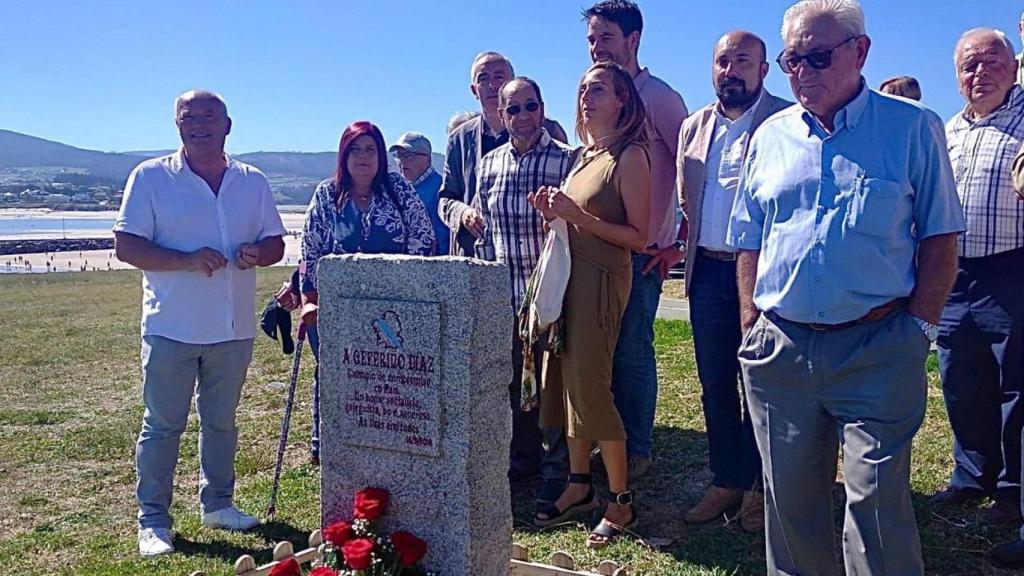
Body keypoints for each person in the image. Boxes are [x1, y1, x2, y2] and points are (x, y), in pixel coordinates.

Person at [727, 1, 965, 573]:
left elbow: (941, 239)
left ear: (860, 52)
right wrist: (751, 323)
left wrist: (918, 328)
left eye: (817, 56)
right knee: (791, 506)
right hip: (781, 351)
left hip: (878, 347)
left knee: (878, 506)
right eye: (792, 60)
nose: (802, 71)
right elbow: (748, 239)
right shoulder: (769, 137)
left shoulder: (913, 128)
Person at [114, 89, 287, 557]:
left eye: (210, 116)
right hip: (171, 326)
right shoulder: (150, 178)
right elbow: (127, 246)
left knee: (221, 422)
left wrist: (258, 254)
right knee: (163, 425)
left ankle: (219, 504)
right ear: (177, 126)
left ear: (228, 125)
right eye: (189, 117)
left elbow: (276, 244)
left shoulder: (252, 181)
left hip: (233, 329)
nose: (200, 124)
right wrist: (187, 261)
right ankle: (152, 520)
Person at [530, 61, 650, 549]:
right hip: (569, 282)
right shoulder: (586, 156)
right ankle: (579, 484)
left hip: (600, 284)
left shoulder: (630, 156)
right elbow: (577, 221)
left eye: (597, 89)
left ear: (622, 98)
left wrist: (576, 215)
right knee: (566, 382)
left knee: (593, 387)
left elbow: (637, 237)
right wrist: (555, 217)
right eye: (582, 89)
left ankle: (621, 501)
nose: (586, 97)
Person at [677, 31, 792, 533]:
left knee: (762, 386)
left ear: (765, 69)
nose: (731, 70)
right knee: (715, 383)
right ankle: (727, 478)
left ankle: (761, 488)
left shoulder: (787, 120)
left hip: (766, 274)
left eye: (743, 61)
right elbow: (687, 200)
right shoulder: (694, 127)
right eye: (723, 61)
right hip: (707, 270)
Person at [582, 0, 688, 479]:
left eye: (605, 37)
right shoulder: (595, 96)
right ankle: (608, 446)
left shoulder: (660, 98)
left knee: (632, 353)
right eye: (591, 39)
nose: (596, 47)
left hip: (643, 253)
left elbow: (693, 172)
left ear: (633, 39)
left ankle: (638, 449)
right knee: (601, 354)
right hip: (599, 251)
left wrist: (677, 243)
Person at [298, 121, 436, 463]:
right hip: (336, 306)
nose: (363, 157)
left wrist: (405, 286)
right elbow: (311, 249)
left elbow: (423, 236)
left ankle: (390, 438)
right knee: (333, 373)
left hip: (393, 307)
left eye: (371, 150)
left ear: (380, 156)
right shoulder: (326, 195)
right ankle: (326, 444)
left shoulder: (398, 190)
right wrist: (309, 299)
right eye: (355, 150)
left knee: (389, 374)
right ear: (344, 155)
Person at [933, 28, 1024, 531]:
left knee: (1017, 386)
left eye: (991, 62)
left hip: (1014, 268)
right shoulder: (949, 129)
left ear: (1013, 67)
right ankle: (972, 476)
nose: (979, 73)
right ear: (957, 75)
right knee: (960, 379)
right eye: (969, 65)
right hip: (956, 273)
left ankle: (1013, 493)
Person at [476, 76, 574, 502]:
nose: (522, 116)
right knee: (515, 385)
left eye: (530, 106)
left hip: (550, 295)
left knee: (554, 386)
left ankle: (560, 469)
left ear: (543, 108)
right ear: (500, 114)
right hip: (506, 296)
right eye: (512, 109)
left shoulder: (568, 160)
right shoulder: (488, 164)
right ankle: (523, 461)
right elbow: (487, 233)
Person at [438, 52, 569, 257]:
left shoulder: (548, 130)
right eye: (483, 79)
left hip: (541, 253)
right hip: (476, 255)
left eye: (499, 76)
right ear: (474, 90)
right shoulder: (459, 139)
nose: (492, 85)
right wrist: (463, 214)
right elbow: (446, 200)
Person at [390, 132, 448, 255]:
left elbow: (443, 238)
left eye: (409, 155)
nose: (402, 161)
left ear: (428, 158)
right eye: (399, 156)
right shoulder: (400, 190)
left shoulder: (441, 189)